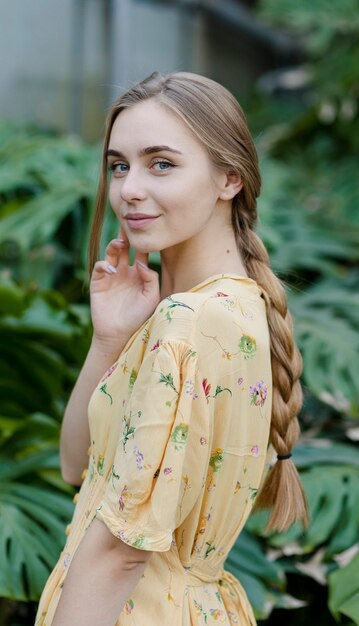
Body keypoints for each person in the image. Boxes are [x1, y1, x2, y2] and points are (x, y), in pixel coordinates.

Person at [35, 71, 307, 626]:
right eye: (119, 165)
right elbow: (76, 466)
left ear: (229, 178)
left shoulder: (191, 322)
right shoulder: (230, 310)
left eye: (161, 164)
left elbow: (121, 550)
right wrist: (108, 342)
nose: (130, 188)